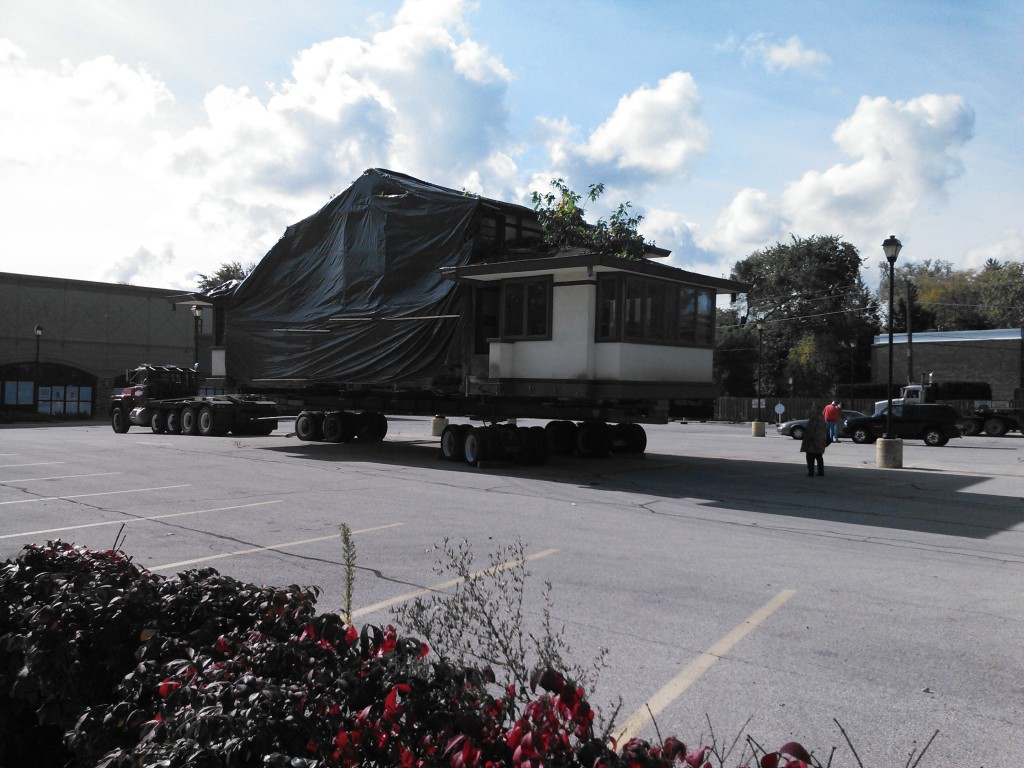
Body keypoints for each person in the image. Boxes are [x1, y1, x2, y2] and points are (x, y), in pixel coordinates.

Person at [800, 410, 830, 476]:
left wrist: (806, 440)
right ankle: (821, 471)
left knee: (810, 457)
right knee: (819, 457)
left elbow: (810, 431)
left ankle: (811, 472)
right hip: (820, 441)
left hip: (813, 442)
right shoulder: (822, 419)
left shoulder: (813, 419)